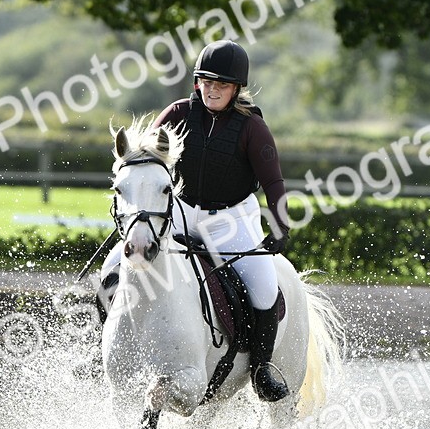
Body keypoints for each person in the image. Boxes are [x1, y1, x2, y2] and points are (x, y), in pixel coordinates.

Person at [102, 39, 292, 402]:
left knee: (265, 288)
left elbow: (273, 182)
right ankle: (109, 343)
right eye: (206, 81)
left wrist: (281, 224)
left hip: (232, 221)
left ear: (237, 88)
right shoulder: (176, 115)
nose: (213, 89)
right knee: (114, 267)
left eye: (221, 83)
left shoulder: (252, 128)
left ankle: (262, 368)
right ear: (196, 82)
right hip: (180, 215)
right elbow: (143, 158)